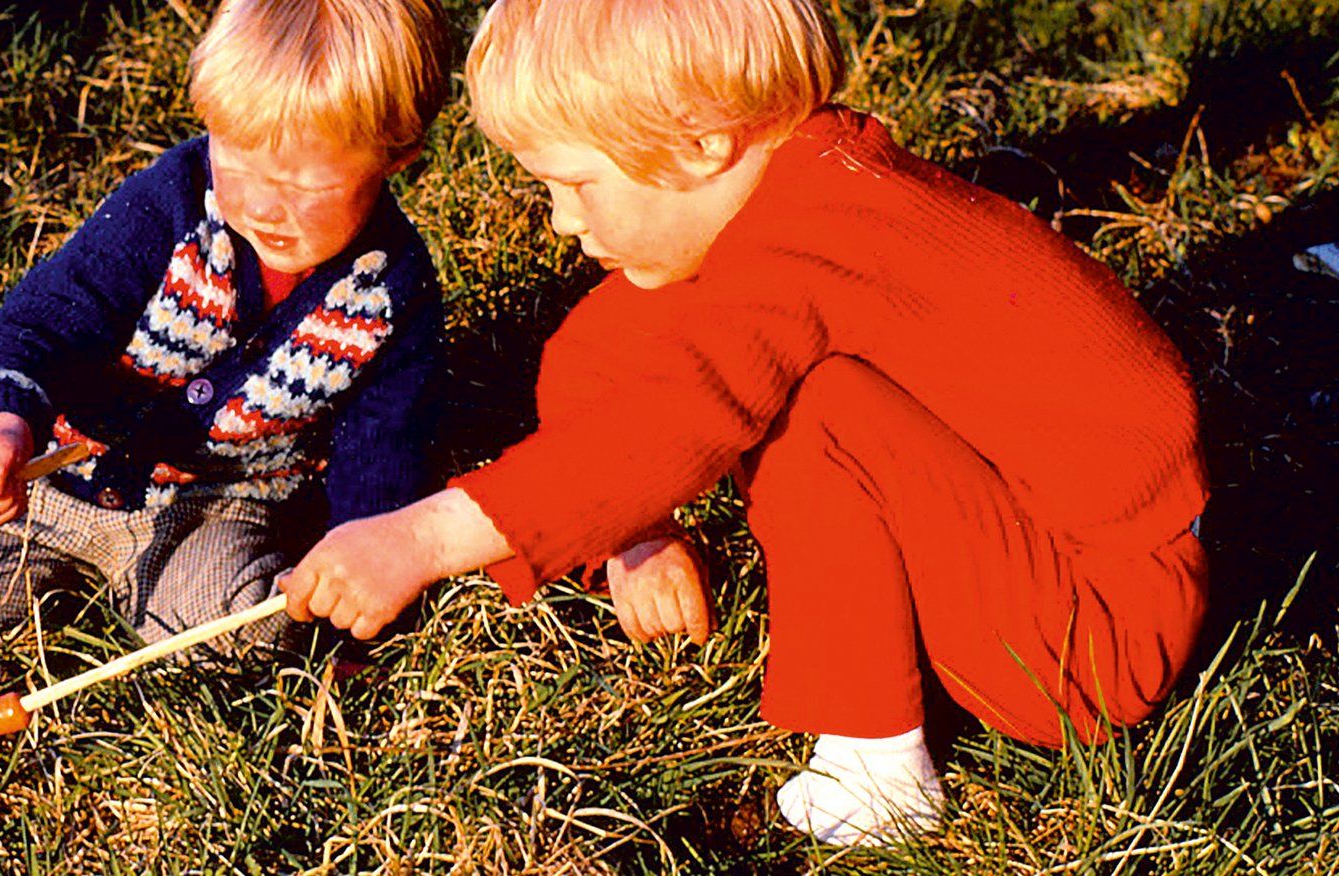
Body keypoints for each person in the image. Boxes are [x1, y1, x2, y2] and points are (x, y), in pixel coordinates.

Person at [278, 0, 1209, 847]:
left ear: (699, 145)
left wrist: (422, 537)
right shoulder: (802, 192)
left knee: (819, 410)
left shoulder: (812, 248)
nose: (561, 221)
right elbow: (598, 358)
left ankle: (879, 767)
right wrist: (634, 527)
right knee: (695, 346)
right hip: (1042, 541)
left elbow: (671, 415)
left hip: (1094, 631)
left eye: (576, 183)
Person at [0, 0, 452, 659]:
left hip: (217, 504)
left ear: (397, 154)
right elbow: (36, 327)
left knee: (232, 626)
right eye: (238, 164)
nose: (263, 207)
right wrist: (5, 430)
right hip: (60, 478)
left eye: (302, 185)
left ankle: (209, 614)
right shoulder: (169, 206)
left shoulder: (391, 290)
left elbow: (382, 450)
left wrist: (359, 572)